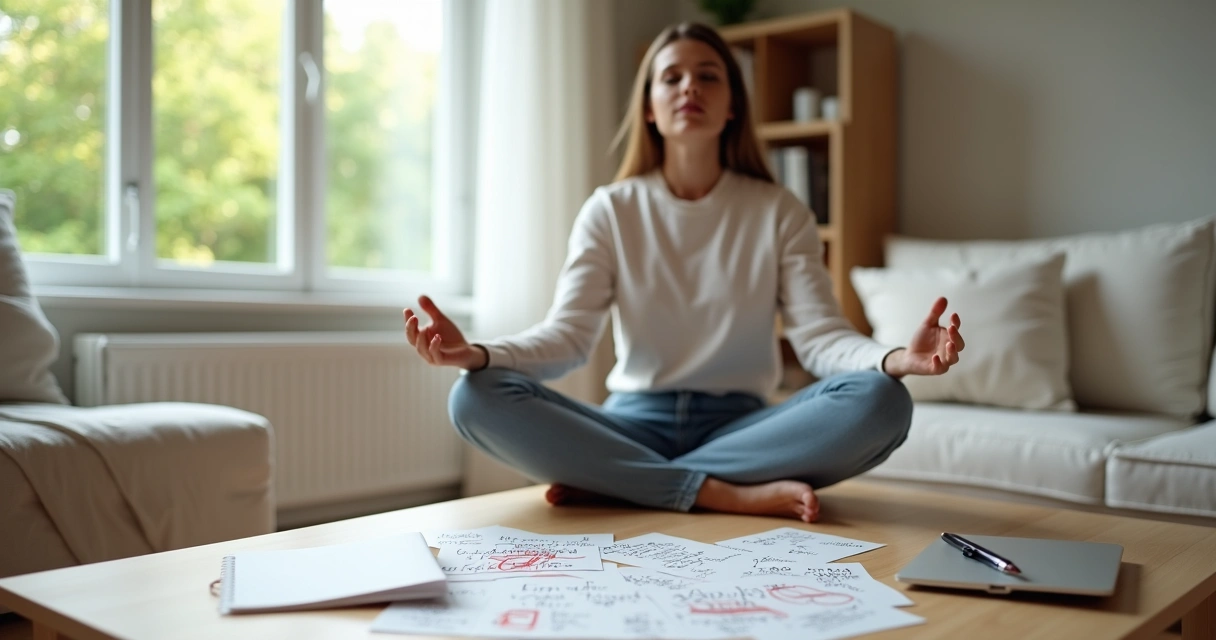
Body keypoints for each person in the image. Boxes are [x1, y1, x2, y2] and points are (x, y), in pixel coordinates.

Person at [403, 22, 964, 523]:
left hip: (741, 430)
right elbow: (567, 339)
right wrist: (478, 354)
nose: (689, 87)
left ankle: (625, 481)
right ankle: (716, 493)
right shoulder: (611, 209)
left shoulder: (780, 211)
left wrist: (894, 359)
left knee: (884, 401)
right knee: (473, 397)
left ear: (733, 105)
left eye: (708, 76)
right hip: (633, 423)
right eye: (671, 78)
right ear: (649, 106)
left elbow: (820, 339)